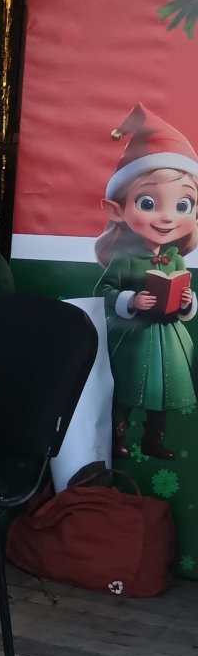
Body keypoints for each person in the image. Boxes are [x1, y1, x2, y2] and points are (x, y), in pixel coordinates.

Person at [94, 104, 198, 460]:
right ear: (117, 209)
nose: (167, 217)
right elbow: (102, 292)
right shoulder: (124, 258)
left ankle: (155, 438)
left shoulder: (176, 258)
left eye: (184, 204)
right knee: (127, 387)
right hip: (133, 336)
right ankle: (117, 436)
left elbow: (184, 290)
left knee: (163, 390)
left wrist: (186, 302)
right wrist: (131, 301)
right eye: (149, 202)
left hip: (168, 337)